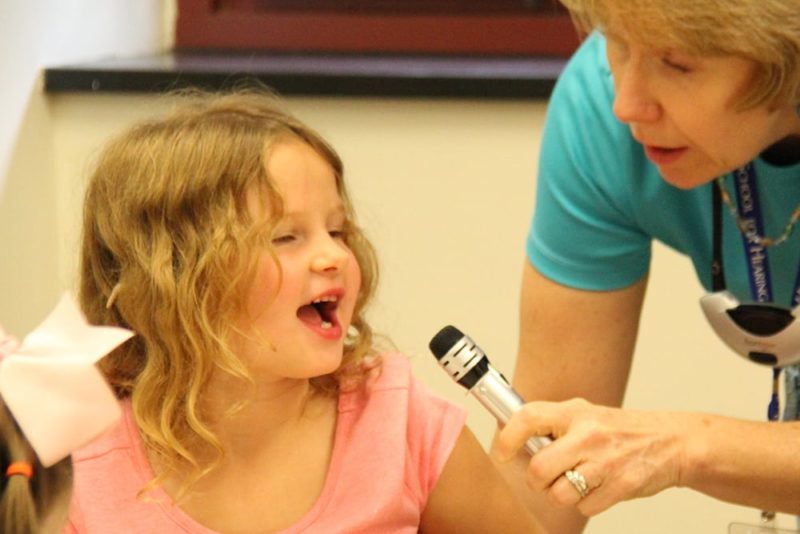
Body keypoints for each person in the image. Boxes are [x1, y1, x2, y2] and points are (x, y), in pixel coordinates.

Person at [67, 90, 542, 533]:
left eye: (336, 231)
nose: (333, 256)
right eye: (286, 237)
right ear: (169, 280)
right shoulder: (75, 459)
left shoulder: (402, 425)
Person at [488, 1, 800, 533]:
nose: (626, 105)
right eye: (618, 43)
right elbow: (542, 480)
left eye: (676, 64)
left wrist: (679, 447)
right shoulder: (597, 105)